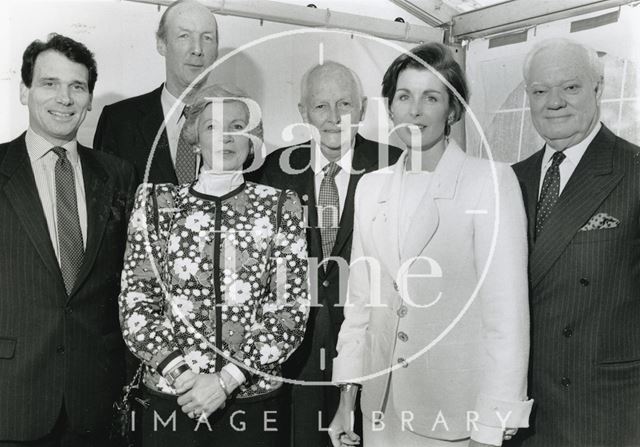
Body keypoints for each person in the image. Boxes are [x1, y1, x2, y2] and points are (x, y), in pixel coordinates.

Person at [329, 42, 533, 447]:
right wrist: (346, 400)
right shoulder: (370, 187)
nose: (415, 110)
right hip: (382, 408)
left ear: (453, 110)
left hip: (457, 416)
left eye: (431, 97)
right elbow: (360, 306)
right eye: (404, 96)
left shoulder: (490, 182)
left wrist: (491, 426)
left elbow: (506, 316)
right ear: (390, 108)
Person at [118, 83, 310, 446]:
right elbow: (136, 304)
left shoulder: (280, 206)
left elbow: (289, 310)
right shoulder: (158, 205)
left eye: (237, 125)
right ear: (194, 141)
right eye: (212, 127)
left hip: (253, 403)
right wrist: (185, 378)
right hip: (174, 399)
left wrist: (226, 381)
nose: (226, 136)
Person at [254, 61, 402, 446]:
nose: (334, 118)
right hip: (296, 348)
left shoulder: (396, 166)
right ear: (304, 113)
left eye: (344, 104)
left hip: (370, 343)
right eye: (321, 107)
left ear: (363, 108)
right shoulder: (275, 171)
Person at [0, 34, 136, 446]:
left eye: (77, 86)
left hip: (95, 402)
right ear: (24, 91)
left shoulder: (118, 175)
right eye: (49, 83)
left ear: (90, 99)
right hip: (11, 399)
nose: (65, 98)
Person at [509, 38, 640, 447]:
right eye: (539, 91)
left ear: (598, 90)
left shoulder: (633, 171)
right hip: (525, 414)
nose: (554, 102)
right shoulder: (510, 180)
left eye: (570, 87)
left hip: (606, 411)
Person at [94, 0, 219, 184]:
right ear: (161, 44)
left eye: (207, 38)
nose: (197, 49)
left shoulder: (233, 124)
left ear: (216, 50)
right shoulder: (119, 121)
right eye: (184, 36)